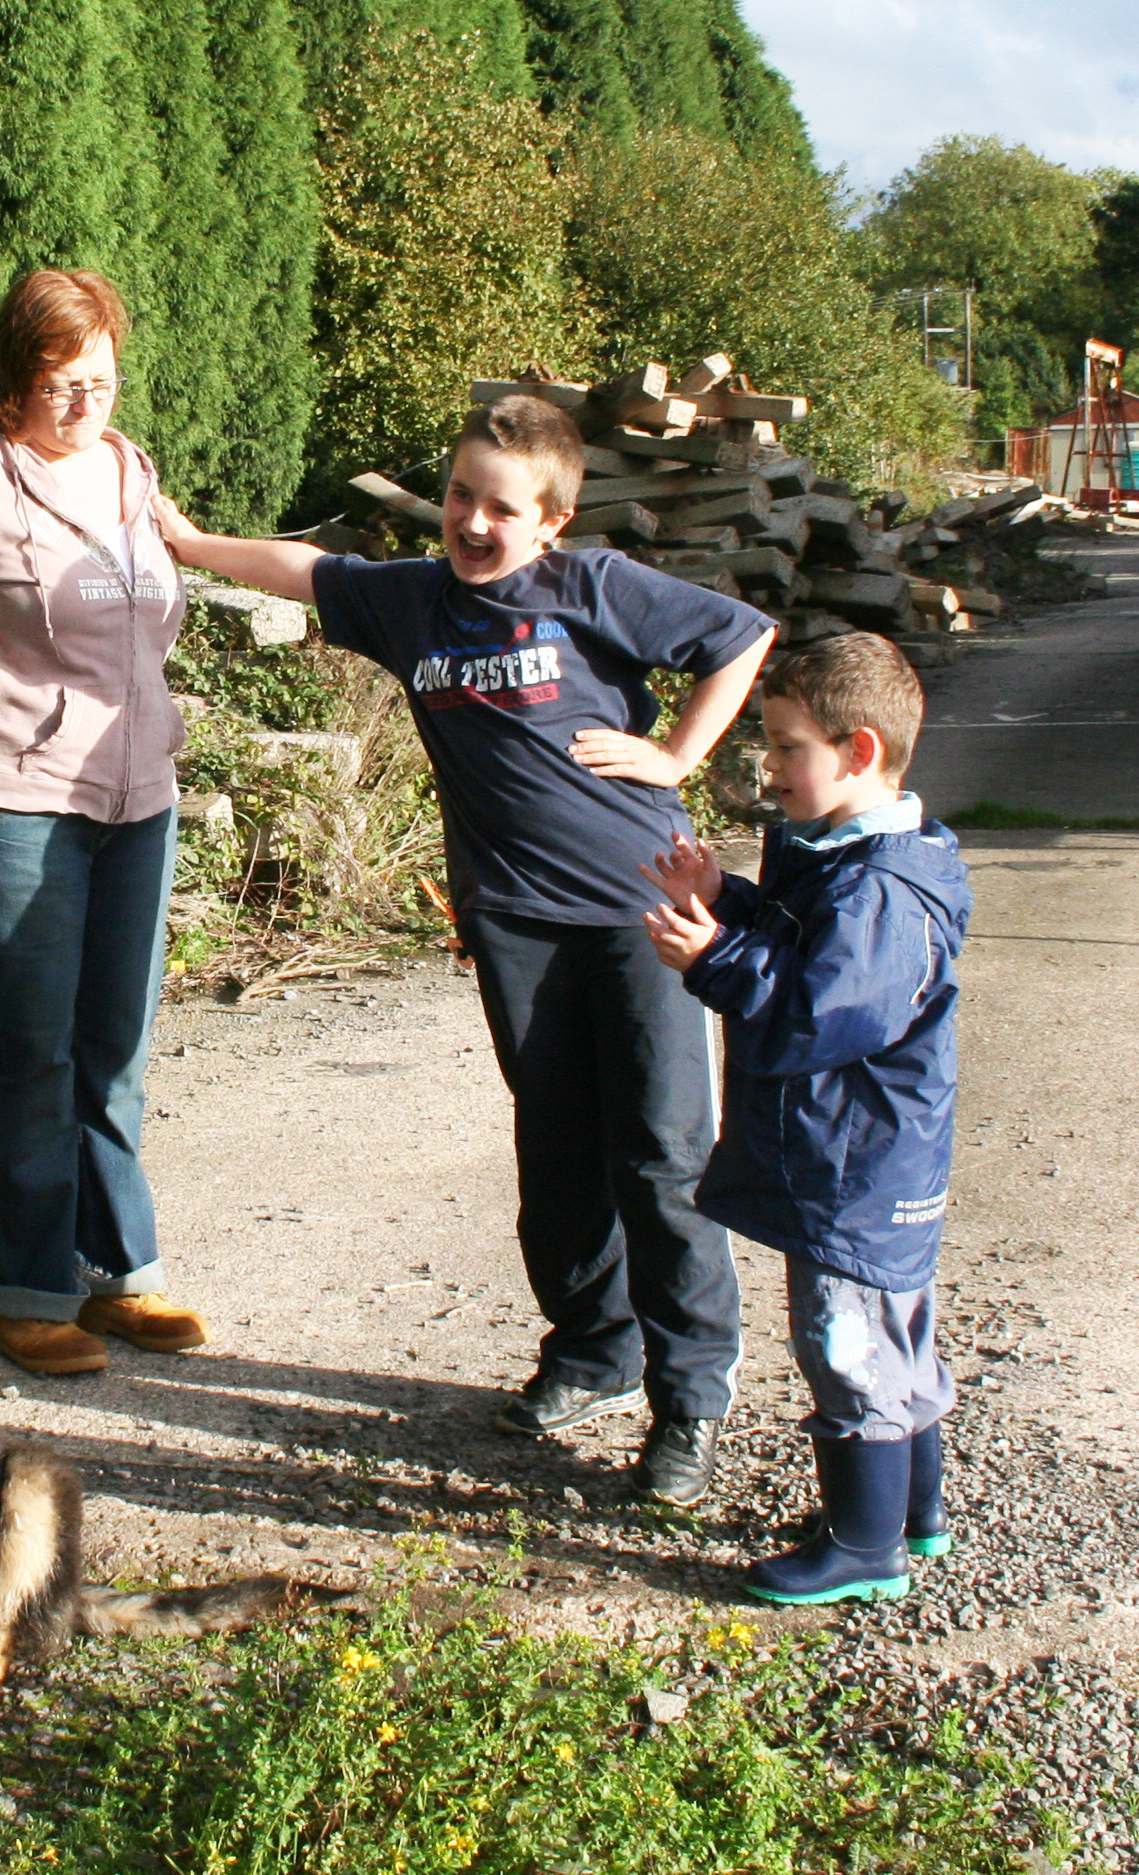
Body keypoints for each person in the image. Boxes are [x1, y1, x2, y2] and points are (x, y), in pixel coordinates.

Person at [153, 394, 774, 1506]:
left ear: (552, 520)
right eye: (460, 497)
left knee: (664, 1154)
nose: (475, 523)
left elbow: (740, 638)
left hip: (643, 916)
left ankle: (691, 1399)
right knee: (558, 1153)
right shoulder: (413, 603)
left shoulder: (588, 588)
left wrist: (677, 755)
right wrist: (188, 541)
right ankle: (593, 1353)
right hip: (515, 920)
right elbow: (300, 571)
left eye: (503, 508)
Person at [0, 268, 208, 1377]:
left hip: (137, 801)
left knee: (114, 1046)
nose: (89, 402)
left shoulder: (132, 476)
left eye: (104, 378)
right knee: (29, 1051)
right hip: (6, 802)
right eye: (62, 381)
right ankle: (26, 1289)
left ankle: (120, 1273)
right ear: (11, 385)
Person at [640, 632, 968, 1603]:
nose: (770, 768)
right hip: (867, 1158)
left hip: (854, 1167)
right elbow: (805, 944)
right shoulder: (850, 859)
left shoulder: (881, 891)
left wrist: (712, 960)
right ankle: (910, 1514)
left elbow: (826, 1013)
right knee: (895, 1332)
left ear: (858, 752)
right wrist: (727, 901)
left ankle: (867, 1550)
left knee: (847, 1342)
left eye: (787, 747)